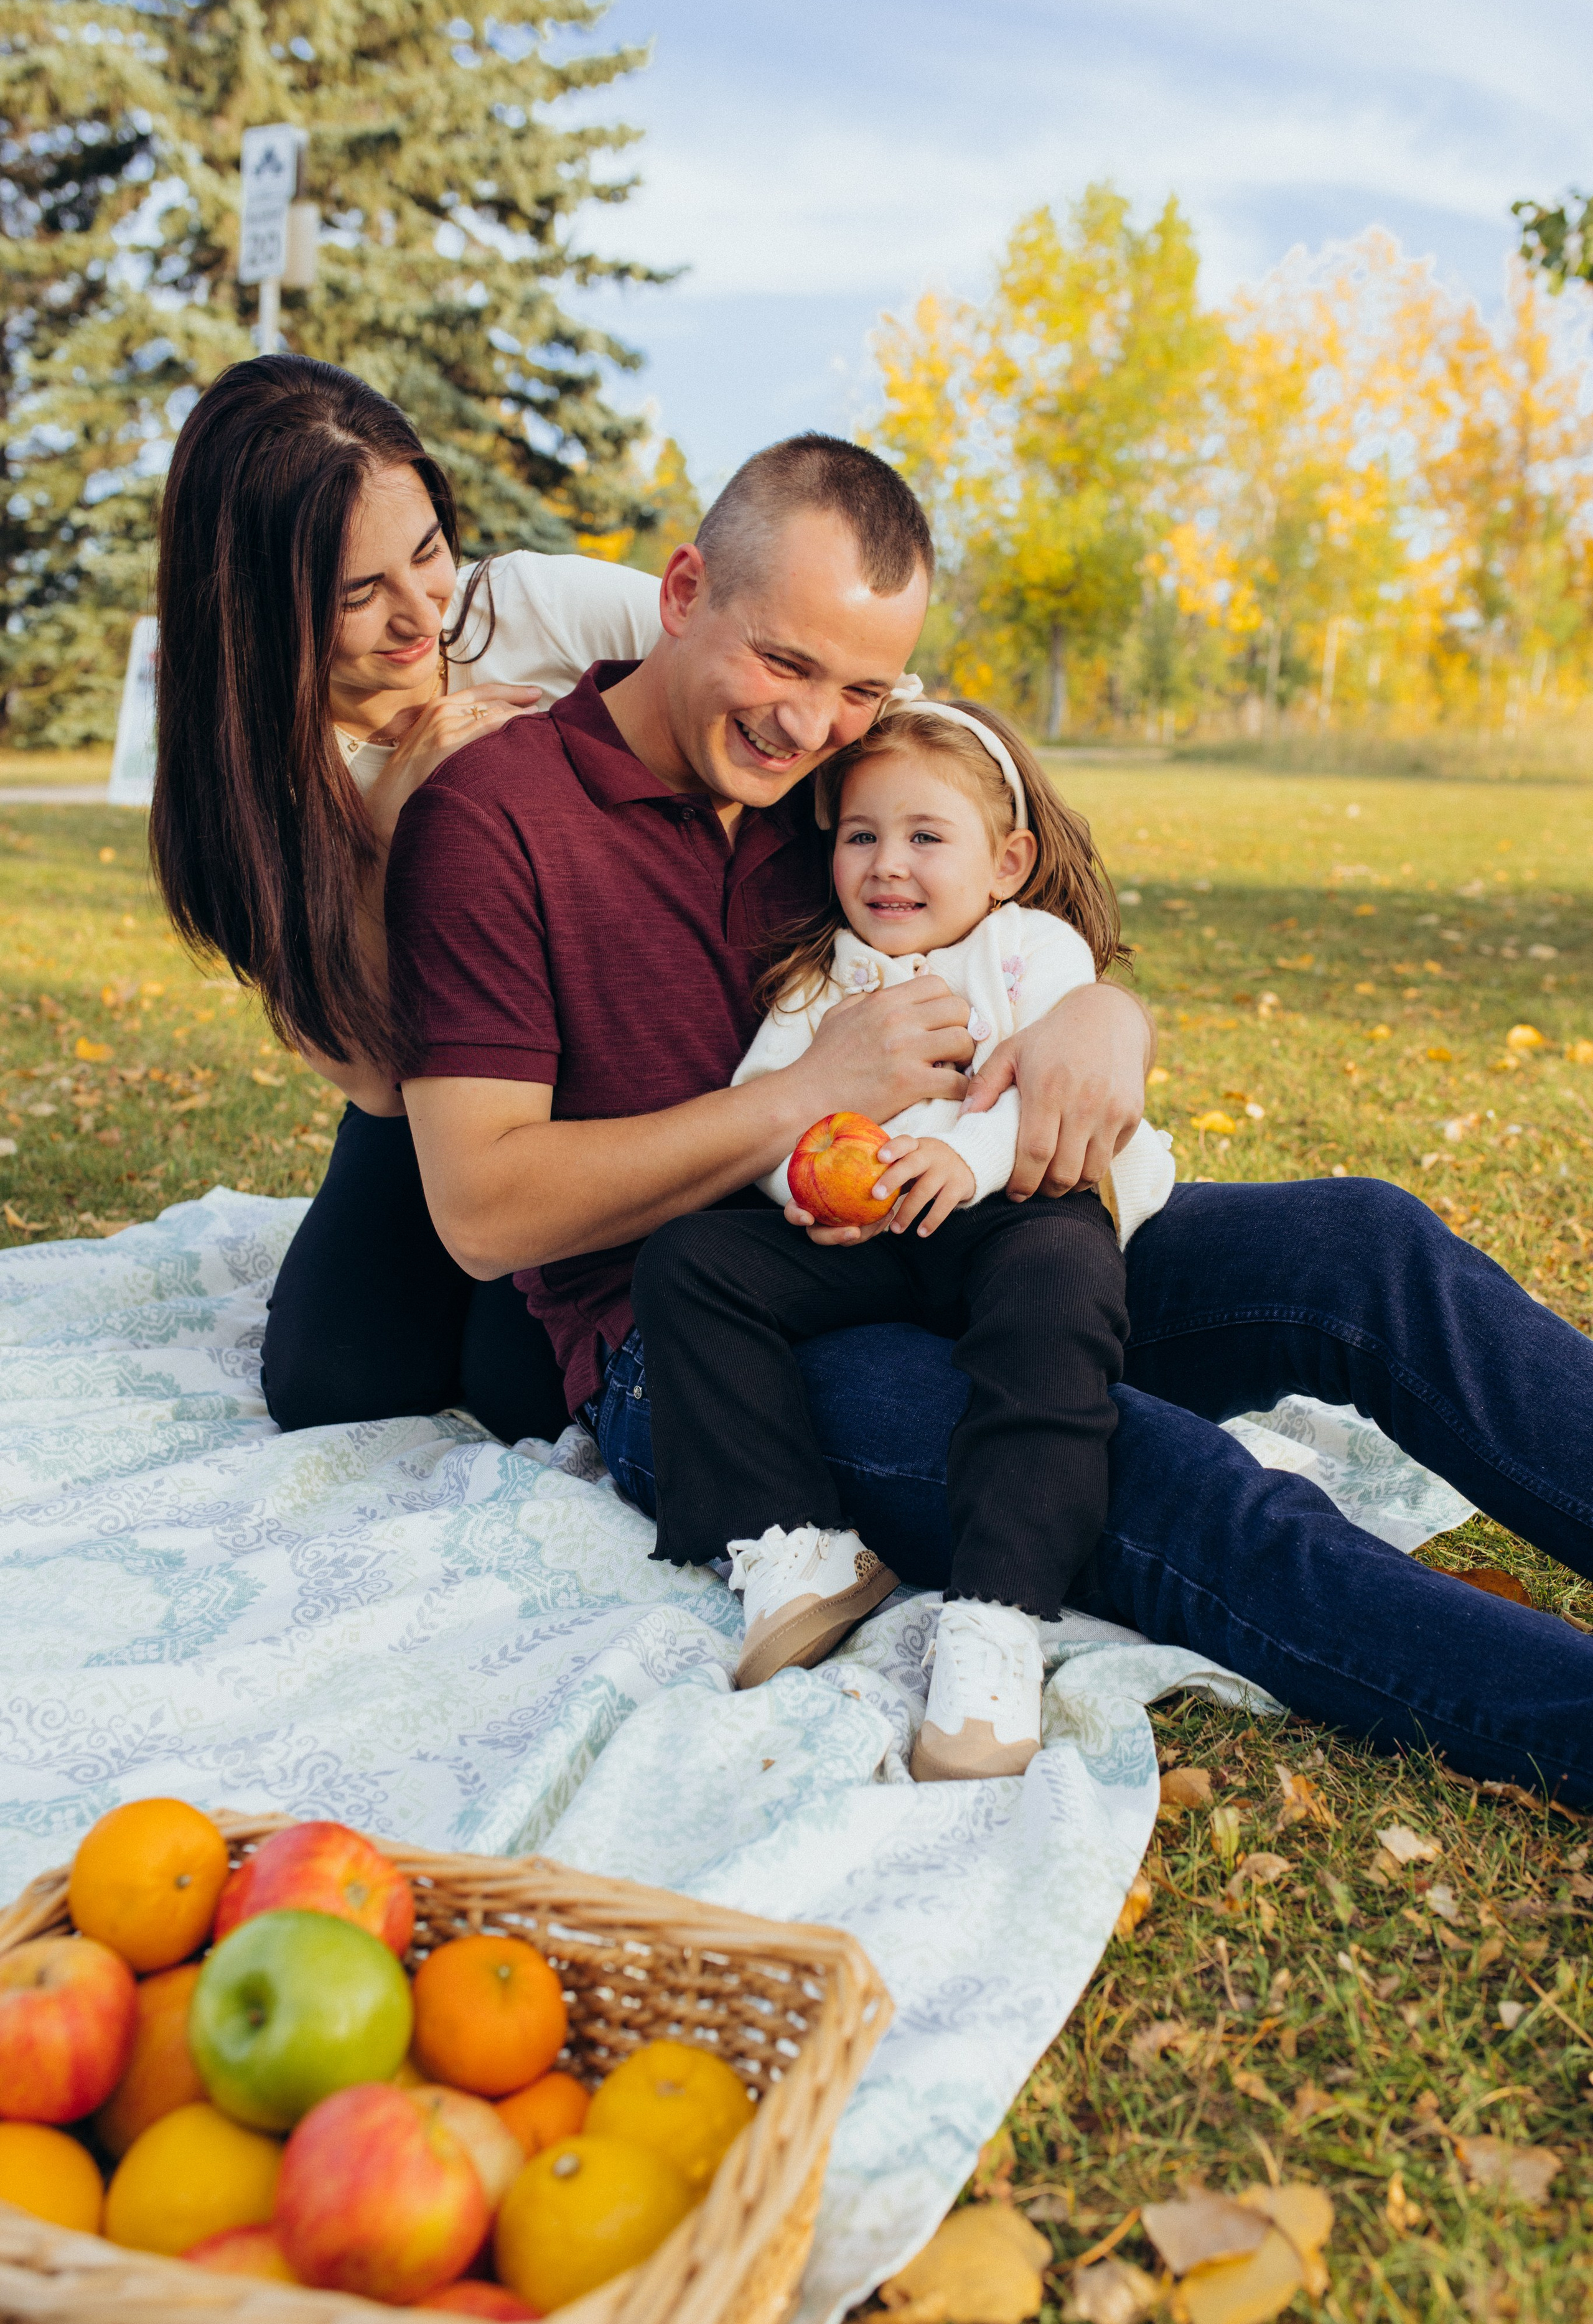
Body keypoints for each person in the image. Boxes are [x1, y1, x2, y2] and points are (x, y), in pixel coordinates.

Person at [387, 429, 1593, 1809]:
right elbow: (483, 1212)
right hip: (712, 1350)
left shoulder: (835, 783)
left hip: (964, 1227)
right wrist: (799, 1097)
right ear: (678, 595)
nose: (808, 723)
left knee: (1361, 1247)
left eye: (857, 687)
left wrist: (1104, 1020)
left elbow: (1019, 925)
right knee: (1156, 1475)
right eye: (781, 663)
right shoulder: (491, 824)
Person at [632, 696, 1175, 1781]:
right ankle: (796, 1546)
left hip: (1016, 1204)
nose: (889, 865)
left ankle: (1000, 1616)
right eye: (861, 836)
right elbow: (762, 1115)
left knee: (1062, 1281)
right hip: (875, 1235)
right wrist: (811, 1187)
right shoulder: (818, 980)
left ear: (1007, 860)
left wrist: (966, 1160)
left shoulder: (1030, 952)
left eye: (928, 838)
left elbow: (1053, 1094)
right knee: (688, 1265)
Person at [148, 355, 660, 1439]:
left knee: (528, 1390)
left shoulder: (532, 613)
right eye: (356, 594)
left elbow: (814, 683)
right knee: (334, 1382)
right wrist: (395, 828)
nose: (419, 610)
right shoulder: (249, 785)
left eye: (427, 550)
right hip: (440, 1089)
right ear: (257, 607)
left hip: (626, 1059)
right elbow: (378, 1081)